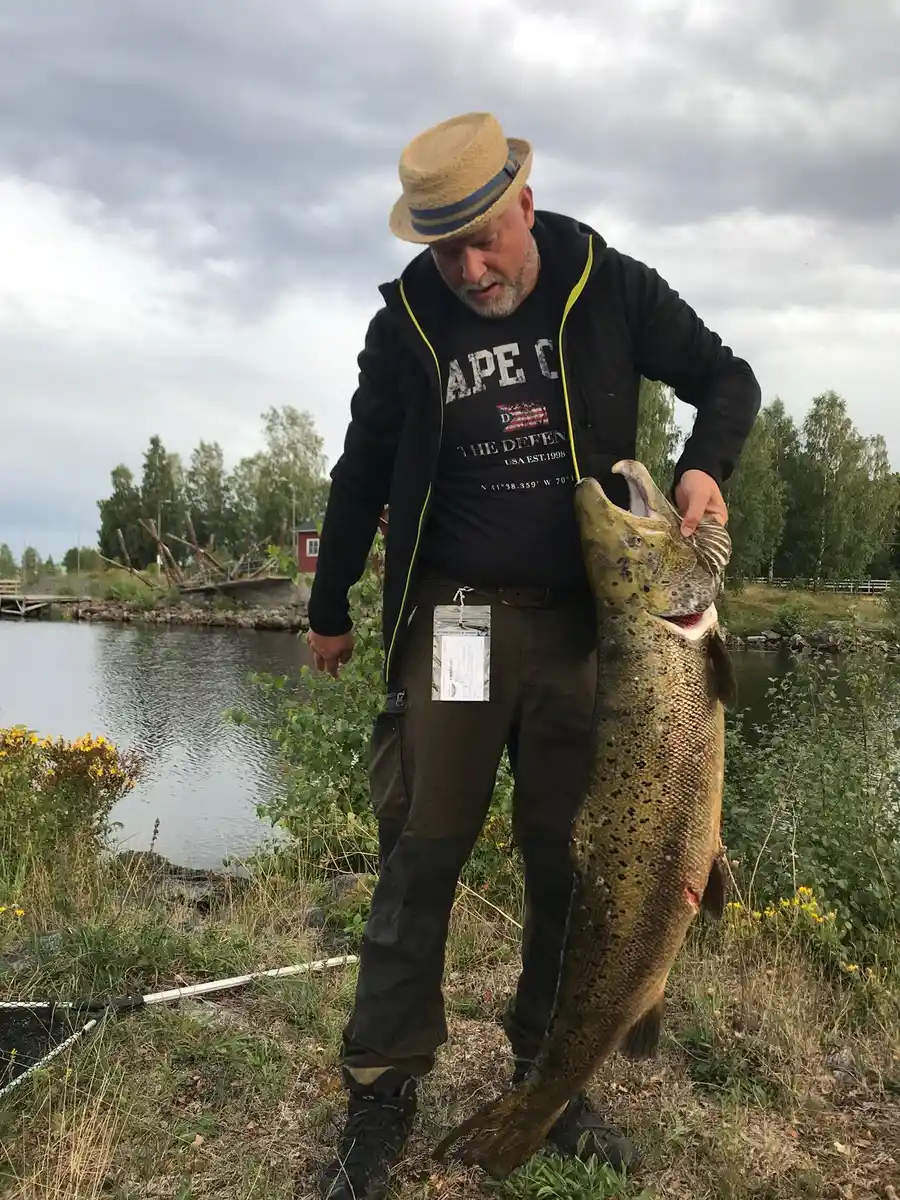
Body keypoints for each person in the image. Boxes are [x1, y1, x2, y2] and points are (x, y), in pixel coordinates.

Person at [306, 112, 761, 1199]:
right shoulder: (409, 322)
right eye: (442, 248)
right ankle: (382, 1092)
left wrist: (702, 470)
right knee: (423, 852)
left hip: (585, 632)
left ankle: (553, 1070)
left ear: (523, 198)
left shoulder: (606, 280)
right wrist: (331, 609)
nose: (468, 269)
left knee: (577, 862)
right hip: (457, 621)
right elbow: (361, 471)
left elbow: (728, 378)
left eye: (483, 240)